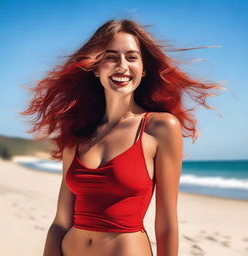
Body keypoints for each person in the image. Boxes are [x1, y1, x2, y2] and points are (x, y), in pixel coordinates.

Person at [21, 19, 225, 256]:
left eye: (131, 57)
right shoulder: (77, 132)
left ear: (144, 68)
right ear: (96, 67)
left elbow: (167, 223)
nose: (122, 66)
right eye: (110, 57)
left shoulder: (160, 127)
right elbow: (60, 222)